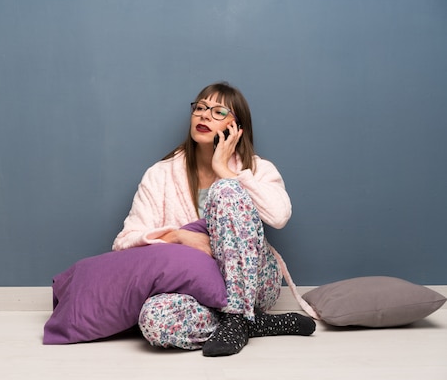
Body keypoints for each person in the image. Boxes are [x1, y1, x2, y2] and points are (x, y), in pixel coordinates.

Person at [112, 81, 316, 357]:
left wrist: (226, 171)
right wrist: (178, 236)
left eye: (219, 112)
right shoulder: (160, 175)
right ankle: (252, 323)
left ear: (237, 127)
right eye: (201, 107)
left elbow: (279, 216)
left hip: (256, 283)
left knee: (227, 190)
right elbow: (123, 243)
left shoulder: (255, 169)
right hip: (198, 289)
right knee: (153, 320)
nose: (205, 115)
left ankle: (237, 315)